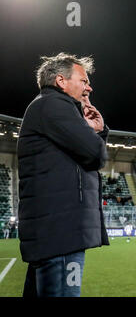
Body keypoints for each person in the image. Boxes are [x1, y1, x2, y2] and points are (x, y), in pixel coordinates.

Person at [17, 53, 109, 297]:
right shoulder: (55, 105)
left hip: (53, 232)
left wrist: (91, 131)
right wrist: (96, 134)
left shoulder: (48, 107)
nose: (89, 87)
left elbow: (83, 156)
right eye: (83, 80)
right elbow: (95, 155)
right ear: (61, 81)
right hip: (61, 235)